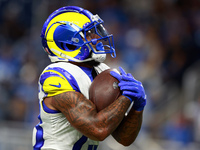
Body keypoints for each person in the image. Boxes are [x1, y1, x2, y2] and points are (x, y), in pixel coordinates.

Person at [32, 6, 146, 150]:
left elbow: (124, 138)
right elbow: (97, 130)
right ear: (68, 42)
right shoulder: (57, 75)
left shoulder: (102, 70)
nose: (97, 37)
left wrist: (137, 107)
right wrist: (126, 98)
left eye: (95, 32)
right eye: (89, 33)